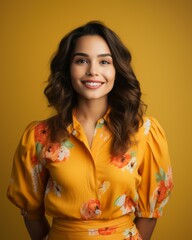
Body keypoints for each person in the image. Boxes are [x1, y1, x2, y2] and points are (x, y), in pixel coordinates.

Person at [7, 21, 173, 240]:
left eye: (104, 61)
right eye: (82, 60)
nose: (93, 71)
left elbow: (150, 212)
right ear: (67, 68)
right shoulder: (39, 136)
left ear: (117, 69)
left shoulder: (145, 133)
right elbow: (31, 212)